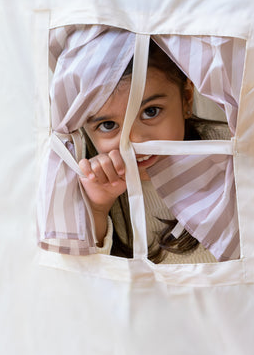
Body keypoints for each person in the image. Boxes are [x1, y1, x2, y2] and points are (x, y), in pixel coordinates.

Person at [77, 42, 230, 264]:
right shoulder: (90, 183)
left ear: (186, 98)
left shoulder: (226, 151)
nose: (135, 140)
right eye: (109, 125)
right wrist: (98, 209)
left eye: (150, 112)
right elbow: (86, 279)